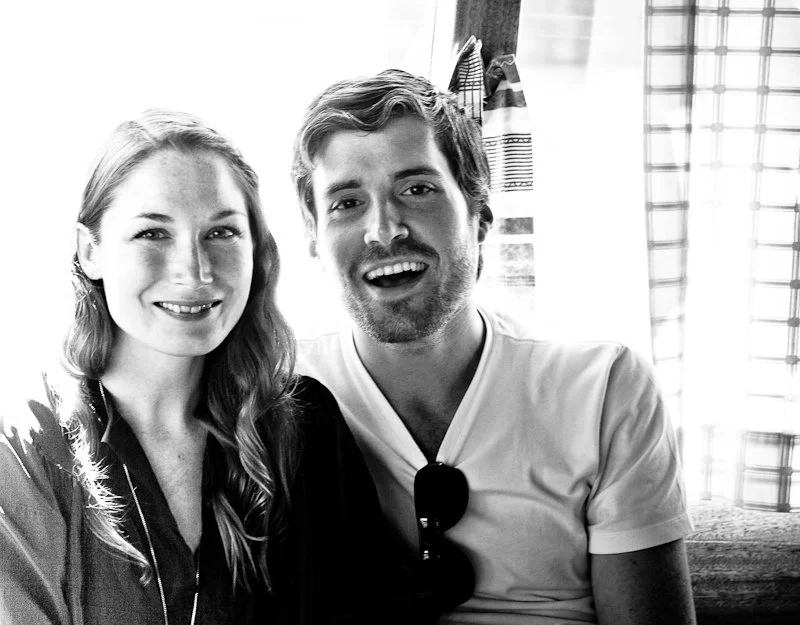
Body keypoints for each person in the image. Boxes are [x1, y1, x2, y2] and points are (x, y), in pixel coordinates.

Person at [291, 69, 697, 624]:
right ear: (314, 240)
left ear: (480, 219)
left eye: (416, 189)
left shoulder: (603, 386)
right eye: (346, 203)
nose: (384, 230)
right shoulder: (275, 397)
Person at [0, 109, 424, 624]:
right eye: (153, 234)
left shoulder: (304, 428)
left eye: (221, 233)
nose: (195, 271)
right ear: (91, 252)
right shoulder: (23, 450)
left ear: (257, 253)